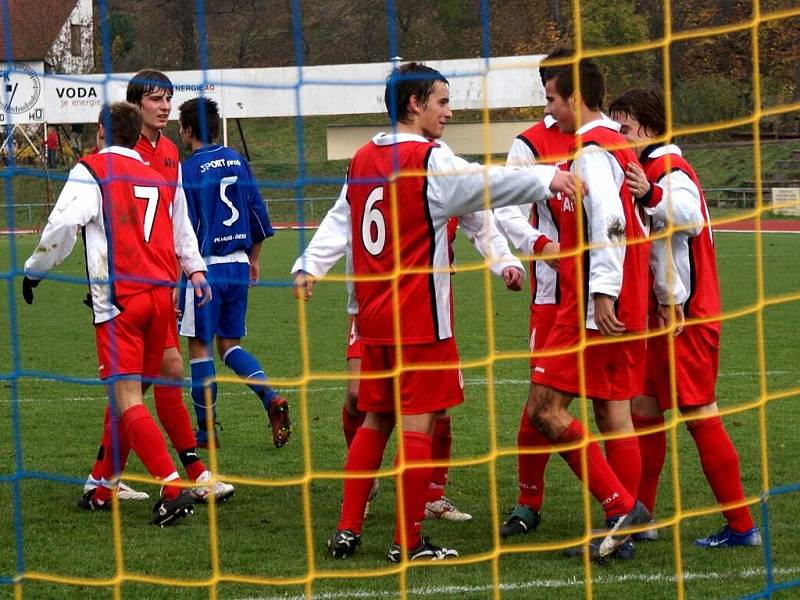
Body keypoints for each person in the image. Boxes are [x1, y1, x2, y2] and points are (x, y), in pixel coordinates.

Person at [293, 61, 577, 562]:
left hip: (374, 317)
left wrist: (308, 265)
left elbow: (342, 217)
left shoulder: (362, 157)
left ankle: (347, 530)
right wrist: (547, 178)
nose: (449, 111)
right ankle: (410, 541)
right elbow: (486, 184)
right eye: (442, 102)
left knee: (376, 420)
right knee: (418, 427)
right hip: (421, 318)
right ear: (414, 104)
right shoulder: (430, 158)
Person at [22, 102, 209, 525]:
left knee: (126, 399)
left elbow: (61, 227)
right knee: (129, 399)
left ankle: (172, 486)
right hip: (161, 297)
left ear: (102, 132)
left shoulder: (92, 169)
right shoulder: (154, 174)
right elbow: (177, 232)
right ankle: (102, 486)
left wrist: (33, 272)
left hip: (120, 299)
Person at [609, 87, 761, 549]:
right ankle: (641, 518)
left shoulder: (668, 169)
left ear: (650, 129)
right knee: (644, 410)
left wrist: (651, 191)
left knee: (699, 413)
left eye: (626, 129)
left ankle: (741, 527)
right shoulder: (652, 166)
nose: (621, 137)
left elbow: (687, 216)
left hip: (685, 316)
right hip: (665, 314)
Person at [522, 54, 653, 560]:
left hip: (596, 303)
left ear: (576, 98)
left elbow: (610, 222)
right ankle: (625, 527)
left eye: (553, 100)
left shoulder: (594, 150)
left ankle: (622, 508)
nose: (550, 112)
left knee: (544, 411)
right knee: (612, 410)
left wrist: (601, 290)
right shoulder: (616, 146)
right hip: (626, 297)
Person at [82, 71, 234, 504]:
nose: (165, 107)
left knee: (137, 389)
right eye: (155, 99)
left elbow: (178, 217)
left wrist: (195, 268)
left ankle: (103, 478)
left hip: (162, 287)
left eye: (168, 99)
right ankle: (192, 474)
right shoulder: (115, 154)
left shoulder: (169, 152)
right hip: (125, 292)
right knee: (155, 379)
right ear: (135, 105)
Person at [335, 214, 525, 523]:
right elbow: (344, 222)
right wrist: (316, 266)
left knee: (437, 407)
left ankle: (430, 496)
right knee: (359, 397)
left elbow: (481, 221)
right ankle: (363, 486)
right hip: (376, 300)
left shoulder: (443, 173)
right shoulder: (372, 172)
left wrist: (505, 262)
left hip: (430, 305)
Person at [177, 96, 291, 449]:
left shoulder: (187, 170)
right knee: (230, 345)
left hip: (205, 270)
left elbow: (186, 227)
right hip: (240, 265)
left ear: (189, 129)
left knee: (200, 350)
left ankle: (206, 432)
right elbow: (258, 214)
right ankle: (270, 397)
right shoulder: (238, 161)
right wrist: (254, 259)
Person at [492, 51, 574, 539]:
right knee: (538, 403)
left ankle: (633, 510)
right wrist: (544, 246)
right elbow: (506, 211)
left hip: (619, 294)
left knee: (617, 406)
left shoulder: (610, 134)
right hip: (553, 297)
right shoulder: (529, 144)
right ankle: (528, 502)